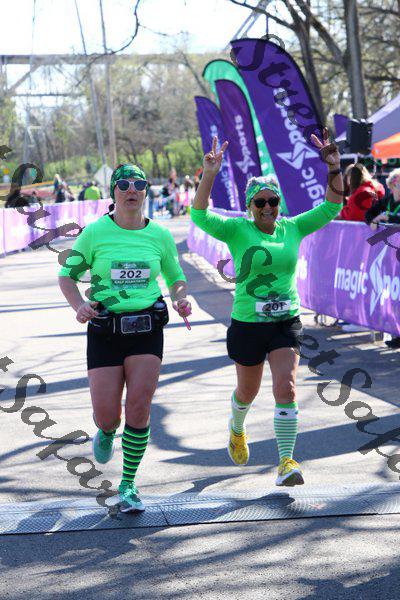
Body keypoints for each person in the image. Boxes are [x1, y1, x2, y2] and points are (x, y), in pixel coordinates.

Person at [190, 131, 343, 487]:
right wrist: (209, 174)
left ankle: (286, 461)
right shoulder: (236, 230)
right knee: (248, 392)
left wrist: (334, 168)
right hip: (248, 323)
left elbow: (332, 207)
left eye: (272, 200)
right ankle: (236, 426)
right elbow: (198, 215)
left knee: (286, 389)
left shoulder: (293, 227)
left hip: (285, 321)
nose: (268, 207)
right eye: (260, 202)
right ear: (250, 205)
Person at [58, 164, 192, 512]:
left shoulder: (159, 235)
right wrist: (79, 306)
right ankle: (105, 432)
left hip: (146, 329)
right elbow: (67, 276)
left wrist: (180, 298)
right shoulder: (95, 233)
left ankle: (129, 483)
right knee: (108, 416)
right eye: (124, 184)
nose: (131, 189)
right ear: (113, 191)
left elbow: (176, 277)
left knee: (139, 406)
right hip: (105, 329)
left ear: (146, 190)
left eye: (138, 184)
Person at [365, 167, 400, 349]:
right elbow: (368, 215)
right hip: (389, 257)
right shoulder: (386, 201)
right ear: (393, 184)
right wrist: (376, 219)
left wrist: (390, 219)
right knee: (394, 298)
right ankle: (396, 334)